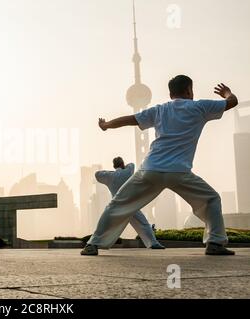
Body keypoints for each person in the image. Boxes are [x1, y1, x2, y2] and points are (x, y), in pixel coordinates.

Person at [81, 75, 238, 256]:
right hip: (179, 172)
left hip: (150, 169)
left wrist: (106, 124)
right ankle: (215, 243)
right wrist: (225, 92)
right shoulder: (200, 107)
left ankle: (93, 244)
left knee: (117, 204)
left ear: (171, 93)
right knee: (211, 199)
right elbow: (231, 101)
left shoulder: (159, 110)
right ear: (189, 91)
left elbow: (130, 119)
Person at [95, 156, 165, 249]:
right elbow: (131, 164)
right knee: (143, 224)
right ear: (123, 164)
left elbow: (97, 174)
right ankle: (153, 243)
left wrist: (113, 172)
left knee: (107, 226)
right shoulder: (128, 171)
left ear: (114, 165)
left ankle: (95, 244)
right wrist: (121, 168)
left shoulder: (109, 176)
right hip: (131, 205)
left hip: (117, 206)